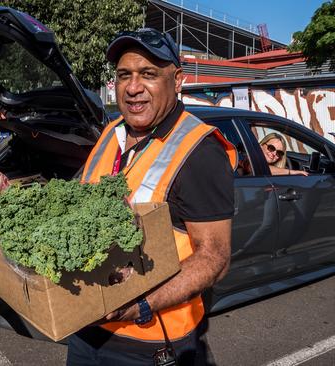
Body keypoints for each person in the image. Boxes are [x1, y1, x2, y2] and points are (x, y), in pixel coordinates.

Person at [69, 28, 237, 365]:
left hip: (148, 343)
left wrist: (140, 304)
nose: (132, 88)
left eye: (148, 74)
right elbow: (77, 203)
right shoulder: (111, 133)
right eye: (123, 75)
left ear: (176, 80)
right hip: (86, 327)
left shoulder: (199, 151)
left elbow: (214, 258)